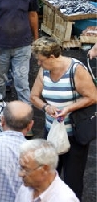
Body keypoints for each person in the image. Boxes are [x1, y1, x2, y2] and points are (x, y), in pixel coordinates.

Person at [30, 37, 97, 200]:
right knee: (48, 178)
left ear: (52, 57)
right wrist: (46, 107)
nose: (38, 64)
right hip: (51, 133)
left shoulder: (75, 69)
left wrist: (67, 109)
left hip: (74, 134)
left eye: (40, 60)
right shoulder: (44, 70)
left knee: (72, 181)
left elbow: (93, 97)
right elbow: (34, 96)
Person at [15, 139, 80, 202]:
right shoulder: (26, 187)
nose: (20, 174)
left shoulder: (65, 199)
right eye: (21, 168)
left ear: (45, 169)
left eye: (26, 169)